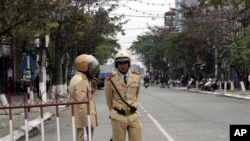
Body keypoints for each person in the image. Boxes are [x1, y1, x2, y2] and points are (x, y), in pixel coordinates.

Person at [104, 51, 142, 141]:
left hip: (134, 116)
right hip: (118, 116)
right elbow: (109, 99)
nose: (123, 65)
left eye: (125, 62)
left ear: (129, 63)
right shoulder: (110, 80)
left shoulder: (136, 77)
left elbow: (136, 94)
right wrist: (113, 111)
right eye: (120, 63)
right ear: (116, 65)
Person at [68, 54, 100, 141]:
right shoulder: (81, 80)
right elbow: (82, 104)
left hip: (81, 119)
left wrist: (92, 86)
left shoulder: (78, 78)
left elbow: (86, 96)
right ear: (83, 67)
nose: (92, 69)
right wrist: (87, 123)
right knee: (84, 139)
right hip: (84, 121)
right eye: (90, 66)